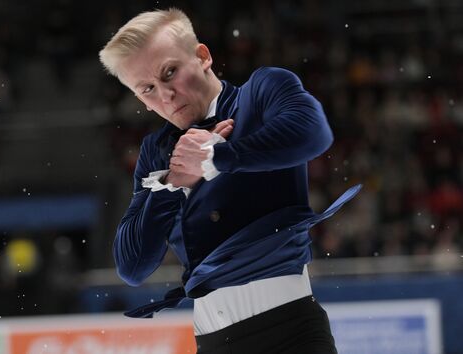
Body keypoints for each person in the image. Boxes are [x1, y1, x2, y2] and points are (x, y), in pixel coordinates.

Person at [99, 8, 361, 354]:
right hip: (212, 343)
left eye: (170, 72)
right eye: (147, 89)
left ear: (202, 56)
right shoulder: (157, 151)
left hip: (289, 334)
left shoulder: (262, 91)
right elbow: (132, 266)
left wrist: (216, 157)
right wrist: (174, 183)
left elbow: (314, 134)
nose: (165, 95)